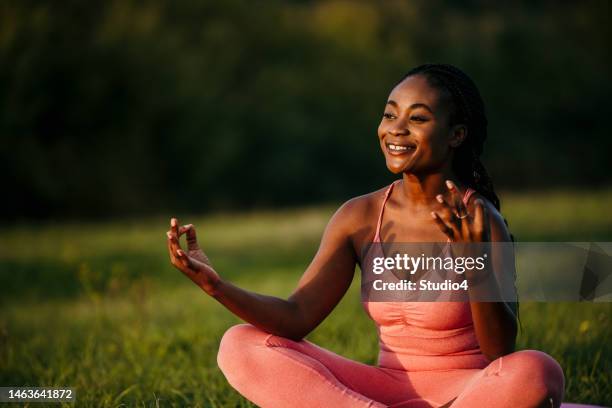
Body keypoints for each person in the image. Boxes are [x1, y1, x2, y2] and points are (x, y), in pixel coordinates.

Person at [166, 63, 566, 407]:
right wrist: (216, 286)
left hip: (468, 394)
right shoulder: (359, 216)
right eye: (390, 115)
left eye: (418, 118)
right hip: (379, 392)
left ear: (456, 135)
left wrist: (472, 259)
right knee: (240, 344)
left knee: (535, 370)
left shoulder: (480, 218)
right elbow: (295, 317)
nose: (397, 130)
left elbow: (500, 352)